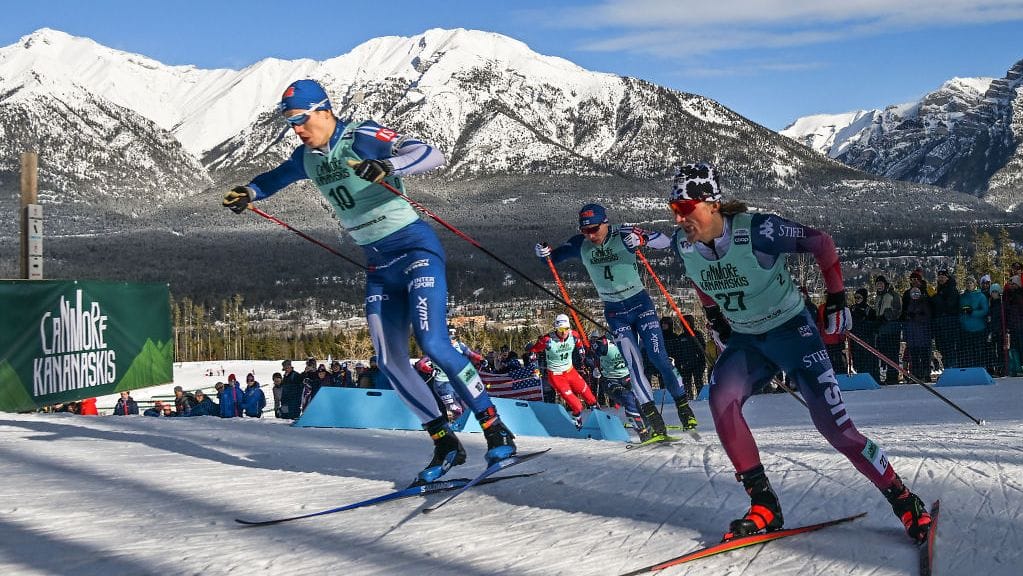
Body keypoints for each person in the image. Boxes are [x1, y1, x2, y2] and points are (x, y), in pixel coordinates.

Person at [222, 79, 516, 484]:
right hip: (379, 265)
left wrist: (388, 165)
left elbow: (431, 153)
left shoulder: (360, 136)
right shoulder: (305, 157)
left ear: (324, 111)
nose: (297, 129)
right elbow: (277, 176)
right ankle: (444, 442)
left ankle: (493, 426)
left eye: (301, 119)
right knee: (390, 360)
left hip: (415, 250)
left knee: (433, 343)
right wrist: (249, 192)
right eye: (290, 122)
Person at [665, 162, 931, 543]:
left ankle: (903, 499)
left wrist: (837, 297)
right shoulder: (683, 246)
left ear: (712, 204)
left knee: (835, 429)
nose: (680, 218)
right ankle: (764, 505)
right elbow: (700, 279)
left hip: (793, 332)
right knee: (721, 399)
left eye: (686, 208)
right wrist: (713, 315)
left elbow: (821, 242)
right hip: (748, 340)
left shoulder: (757, 230)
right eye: (674, 210)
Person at [535, 202, 697, 437]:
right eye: (585, 230)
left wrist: (642, 240)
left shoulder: (623, 233)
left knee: (657, 356)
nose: (591, 235)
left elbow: (665, 241)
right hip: (615, 312)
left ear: (606, 222)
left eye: (595, 229)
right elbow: (551, 259)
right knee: (633, 364)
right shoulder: (581, 244)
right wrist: (543, 253)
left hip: (640, 304)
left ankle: (683, 406)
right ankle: (652, 418)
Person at [526, 314, 599, 429]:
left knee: (590, 398)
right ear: (556, 328)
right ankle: (577, 423)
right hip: (556, 375)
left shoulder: (573, 335)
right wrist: (535, 369)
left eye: (566, 329)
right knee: (577, 406)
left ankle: (600, 420)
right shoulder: (548, 340)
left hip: (570, 371)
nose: (564, 332)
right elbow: (532, 352)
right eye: (561, 329)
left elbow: (580, 344)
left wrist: (581, 352)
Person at [588, 330, 649, 439]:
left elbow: (647, 355)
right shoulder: (604, 343)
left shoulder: (633, 340)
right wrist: (595, 368)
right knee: (628, 398)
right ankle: (641, 430)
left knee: (640, 399)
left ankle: (651, 427)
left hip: (628, 377)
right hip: (611, 380)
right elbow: (590, 355)